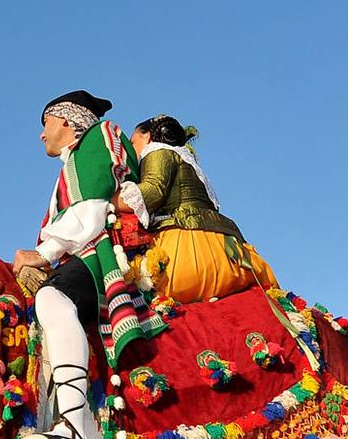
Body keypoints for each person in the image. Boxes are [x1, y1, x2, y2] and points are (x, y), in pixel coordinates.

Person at [12, 91, 166, 439]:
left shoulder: (100, 137)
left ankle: (73, 432)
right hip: (86, 249)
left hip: (101, 251)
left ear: (66, 122)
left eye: (45, 123)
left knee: (52, 297)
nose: (41, 135)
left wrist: (44, 254)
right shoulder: (73, 161)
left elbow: (95, 204)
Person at [118, 115, 278, 303]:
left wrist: (105, 200)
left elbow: (153, 191)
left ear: (147, 137)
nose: (132, 149)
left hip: (186, 247)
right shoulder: (185, 159)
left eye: (133, 141)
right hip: (225, 247)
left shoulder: (156, 151)